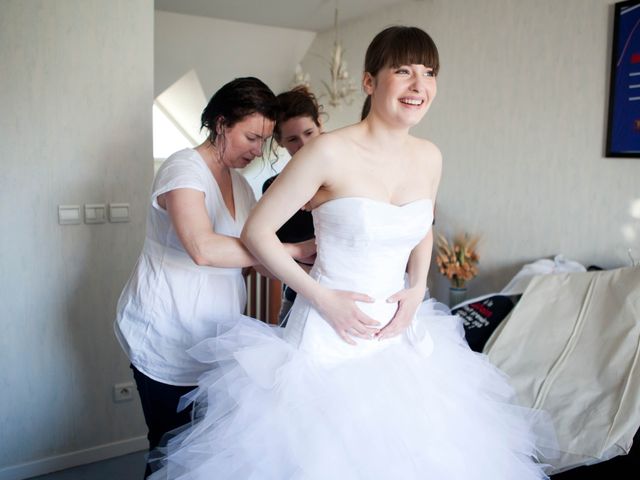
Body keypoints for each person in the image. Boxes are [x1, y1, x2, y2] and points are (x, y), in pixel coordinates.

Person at [149, 28, 555, 479]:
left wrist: (417, 287)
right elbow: (258, 232)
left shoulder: (430, 157)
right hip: (326, 340)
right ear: (368, 82)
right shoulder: (328, 151)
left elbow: (422, 226)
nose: (419, 85)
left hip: (400, 337)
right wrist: (323, 298)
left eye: (429, 73)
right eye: (403, 71)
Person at [114, 77, 315, 478]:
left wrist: (311, 268)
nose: (257, 151)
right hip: (166, 332)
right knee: (169, 450)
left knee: (205, 452)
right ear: (221, 123)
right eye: (251, 137)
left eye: (265, 141)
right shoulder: (182, 167)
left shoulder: (241, 186)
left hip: (215, 337)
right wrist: (290, 251)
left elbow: (253, 256)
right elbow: (203, 247)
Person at [261, 86, 323, 325]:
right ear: (279, 141)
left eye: (309, 133)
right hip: (297, 298)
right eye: (293, 139)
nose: (304, 145)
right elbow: (271, 252)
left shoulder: (346, 177)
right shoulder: (274, 189)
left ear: (320, 126)